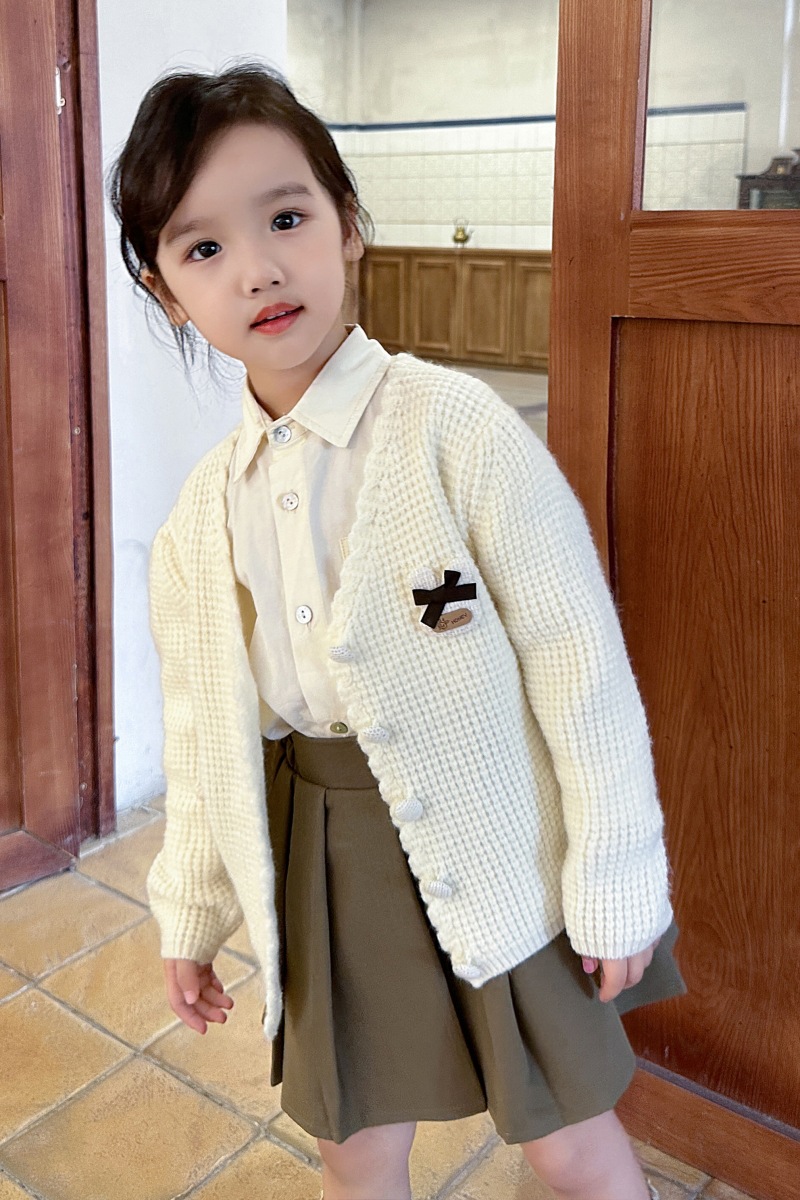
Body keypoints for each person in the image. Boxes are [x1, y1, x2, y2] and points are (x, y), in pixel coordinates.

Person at [110, 62, 684, 1200]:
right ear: (166, 291)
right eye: (203, 247)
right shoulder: (197, 521)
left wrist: (613, 869)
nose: (258, 269)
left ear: (349, 224)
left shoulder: (456, 427)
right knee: (355, 1148)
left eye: (286, 218)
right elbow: (205, 735)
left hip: (501, 845)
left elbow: (578, 662)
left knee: (569, 1140)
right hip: (322, 858)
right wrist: (193, 907)